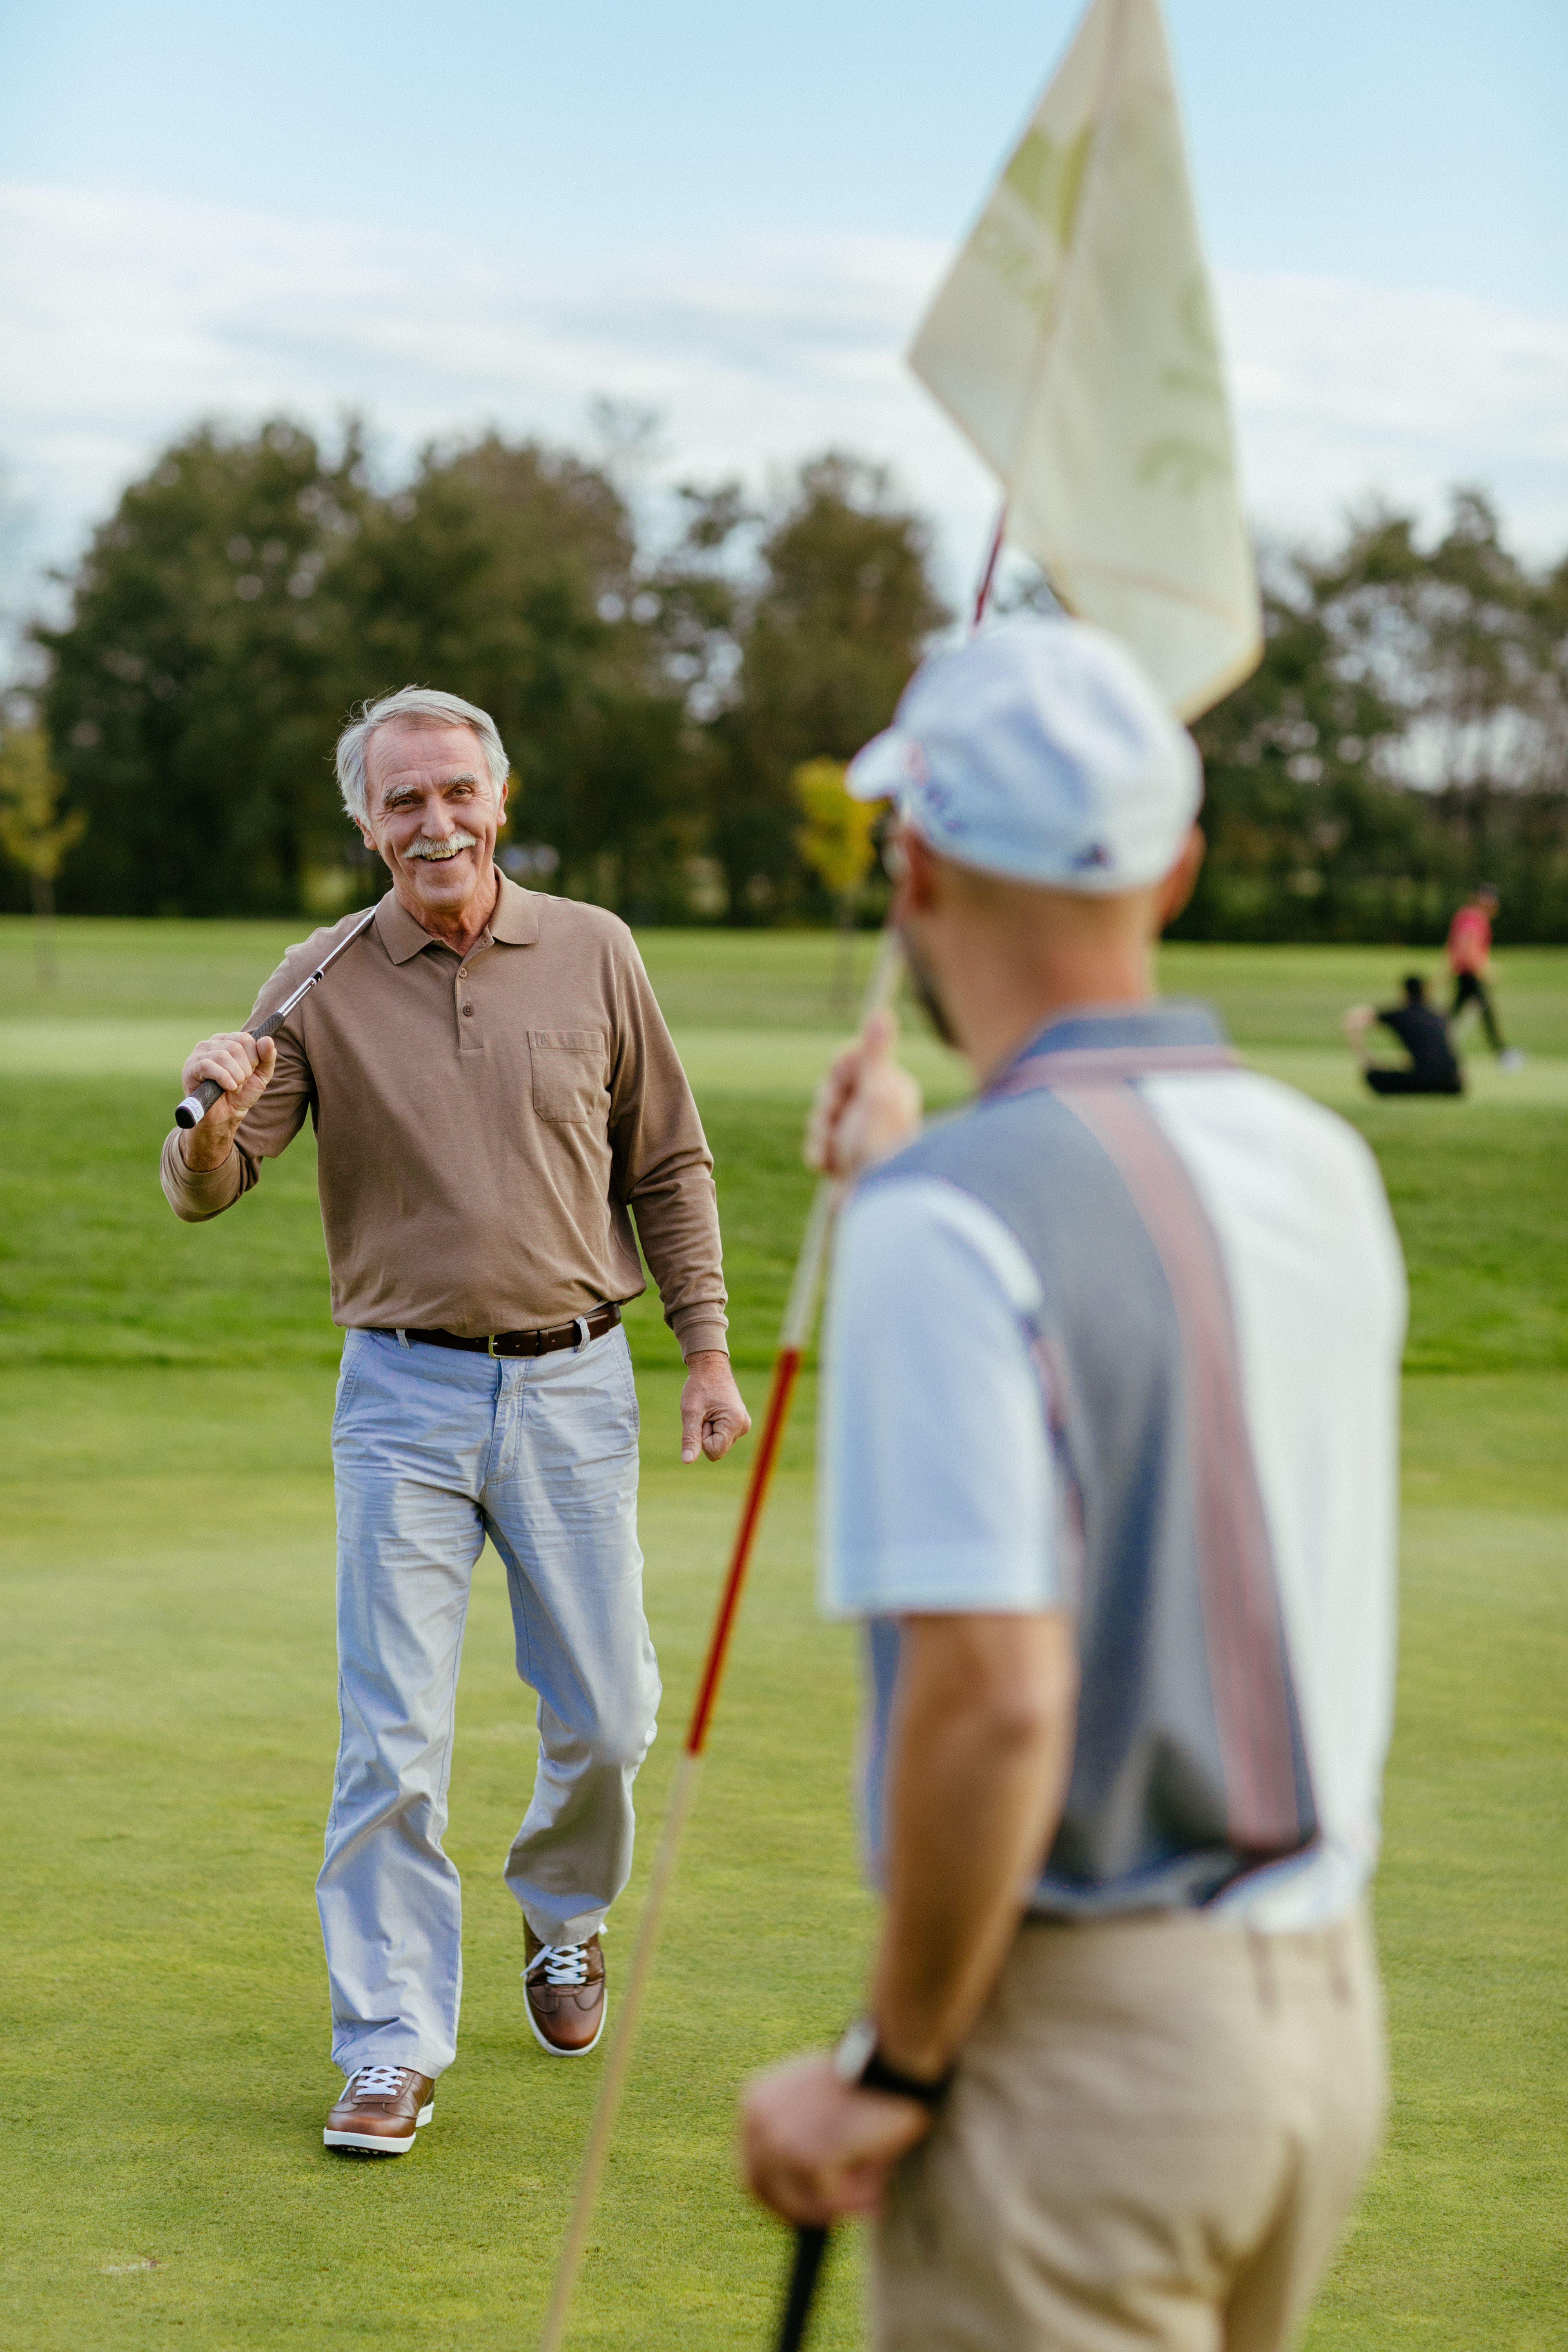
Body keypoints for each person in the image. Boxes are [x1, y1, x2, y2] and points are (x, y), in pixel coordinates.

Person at [742, 618, 1403, 2352]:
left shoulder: (945, 1226)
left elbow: (996, 1702)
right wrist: (918, 1157)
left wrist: (888, 2068)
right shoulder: (1322, 1167)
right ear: (1175, 866)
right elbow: (1127, 1289)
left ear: (918, 865)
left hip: (1081, 2059)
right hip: (1316, 2031)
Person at [163, 685, 750, 2155]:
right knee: (391, 1739)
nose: (434, 821)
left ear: (500, 796)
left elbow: (667, 1164)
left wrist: (708, 1354)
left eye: (456, 792)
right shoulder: (318, 977)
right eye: (402, 799)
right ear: (366, 822)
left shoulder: (598, 951)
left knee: (610, 1712)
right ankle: (389, 2042)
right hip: (404, 1396)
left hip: (575, 1382)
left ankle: (564, 1912)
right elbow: (204, 1192)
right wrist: (209, 1112)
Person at [1343, 973, 1463, 1096]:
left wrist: (1367, 1059)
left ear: (1404, 993)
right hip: (1454, 1082)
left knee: (1374, 1076)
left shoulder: (1400, 1015)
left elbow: (1355, 1020)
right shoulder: (1439, 1015)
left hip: (1427, 1079)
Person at [1446, 884, 1524, 1069]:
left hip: (1465, 973)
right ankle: (1503, 1054)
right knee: (1484, 1013)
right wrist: (1484, 970)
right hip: (1470, 974)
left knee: (1456, 1015)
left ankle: (1432, 1045)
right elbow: (1467, 945)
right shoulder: (1474, 918)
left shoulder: (1466, 915)